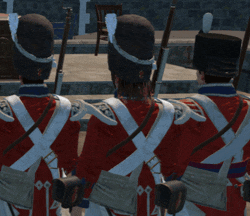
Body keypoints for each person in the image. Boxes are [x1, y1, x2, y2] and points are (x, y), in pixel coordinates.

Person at [75, 14, 202, 216]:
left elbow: (89, 168)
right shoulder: (171, 115)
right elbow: (173, 168)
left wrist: (78, 205)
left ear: (116, 76)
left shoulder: (103, 116)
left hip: (108, 208)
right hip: (153, 206)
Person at [174, 16, 250, 216]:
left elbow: (175, 160)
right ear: (232, 74)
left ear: (202, 74)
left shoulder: (188, 111)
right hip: (235, 200)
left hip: (193, 200)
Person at [0, 14, 84, 216]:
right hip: (50, 202)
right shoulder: (66, 111)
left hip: (11, 203)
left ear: (19, 67)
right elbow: (69, 163)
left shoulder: (4, 112)